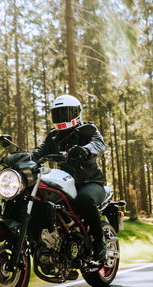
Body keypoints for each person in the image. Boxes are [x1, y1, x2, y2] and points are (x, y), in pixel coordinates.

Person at [31, 94, 107, 264]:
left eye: (65, 113)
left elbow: (98, 144)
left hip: (91, 182)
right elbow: (38, 152)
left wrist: (85, 150)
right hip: (67, 183)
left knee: (84, 200)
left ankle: (99, 243)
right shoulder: (53, 137)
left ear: (77, 113)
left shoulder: (88, 130)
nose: (62, 118)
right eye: (58, 114)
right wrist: (24, 158)